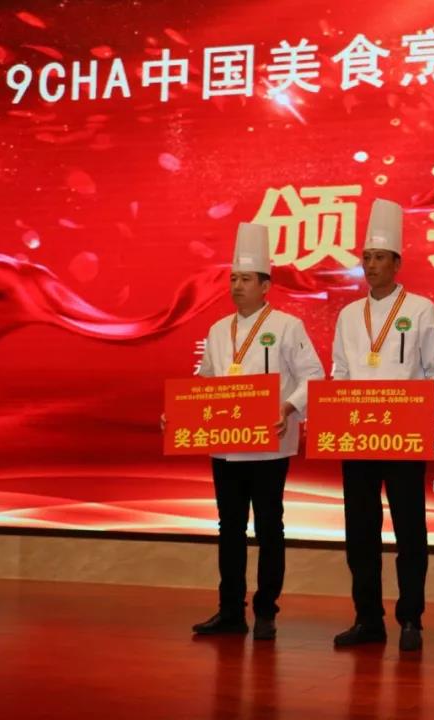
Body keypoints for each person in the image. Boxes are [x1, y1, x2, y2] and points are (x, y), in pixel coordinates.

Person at [186, 221, 325, 640]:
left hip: (269, 446)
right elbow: (205, 380)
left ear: (265, 286)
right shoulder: (217, 330)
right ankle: (230, 611)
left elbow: (313, 376)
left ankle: (266, 611)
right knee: (229, 528)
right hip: (226, 446)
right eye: (233, 279)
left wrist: (288, 406)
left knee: (268, 528)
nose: (237, 286)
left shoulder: (287, 326)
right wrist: (182, 413)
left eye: (245, 279)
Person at [330, 198, 434, 652]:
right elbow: (340, 373)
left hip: (403, 434)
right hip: (357, 434)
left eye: (380, 257)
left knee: (409, 530)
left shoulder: (420, 308)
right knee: (360, 531)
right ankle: (367, 619)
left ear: (397, 263)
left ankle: (411, 618)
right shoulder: (348, 314)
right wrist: (332, 415)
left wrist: (426, 416)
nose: (371, 265)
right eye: (366, 258)